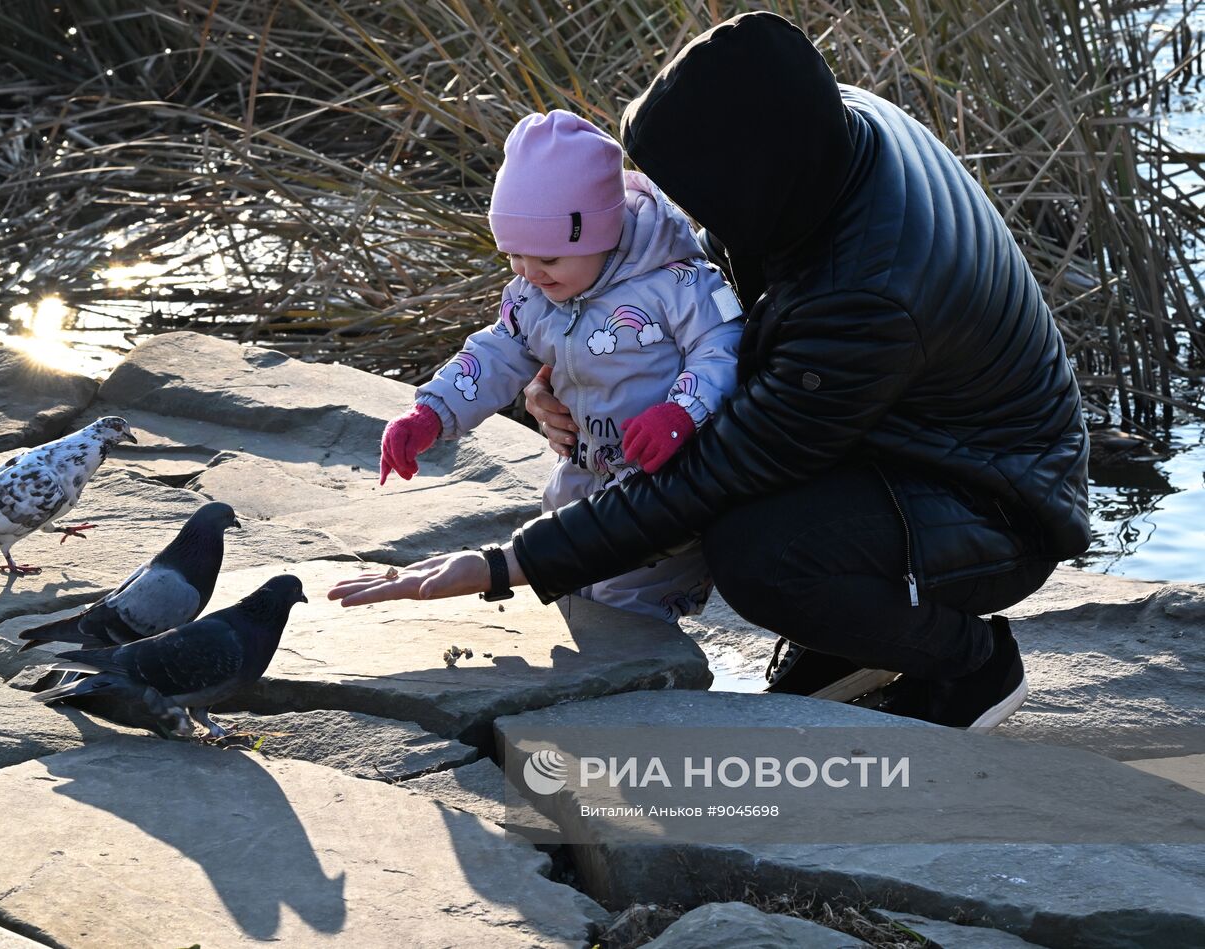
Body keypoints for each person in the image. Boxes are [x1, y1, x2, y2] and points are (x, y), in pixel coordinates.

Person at [332, 11, 1091, 731]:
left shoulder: (868, 293)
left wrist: (509, 563)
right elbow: (699, 299)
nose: (676, 212)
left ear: (752, 181)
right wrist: (547, 373)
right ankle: (847, 644)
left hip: (998, 501)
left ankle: (971, 665)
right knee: (741, 502)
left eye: (700, 195)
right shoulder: (824, 131)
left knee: (757, 554)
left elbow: (715, 475)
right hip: (900, 429)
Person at [377, 109, 744, 622]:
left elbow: (723, 346)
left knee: (631, 612)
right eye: (514, 256)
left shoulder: (676, 283)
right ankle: (593, 682)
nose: (529, 272)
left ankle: (646, 694)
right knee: (570, 583)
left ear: (601, 231)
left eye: (547, 259)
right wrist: (432, 412)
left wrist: (680, 413)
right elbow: (499, 350)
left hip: (662, 483)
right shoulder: (536, 290)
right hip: (580, 472)